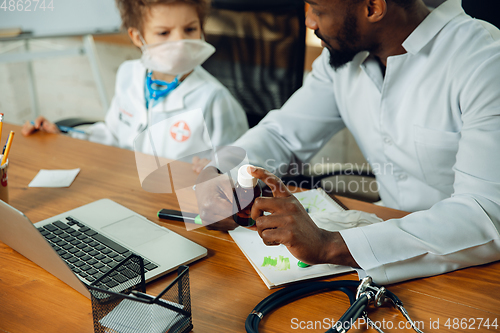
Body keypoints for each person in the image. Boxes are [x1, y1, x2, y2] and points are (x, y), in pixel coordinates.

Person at [195, 0, 500, 285]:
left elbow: (486, 213)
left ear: (372, 7)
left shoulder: (484, 62)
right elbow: (281, 133)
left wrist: (330, 246)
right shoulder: (342, 58)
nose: (308, 21)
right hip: (377, 242)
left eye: (317, 9)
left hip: (472, 267)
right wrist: (221, 173)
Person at [22, 0, 248, 162]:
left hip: (180, 204)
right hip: (127, 186)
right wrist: (64, 135)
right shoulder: (128, 74)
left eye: (190, 29)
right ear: (137, 37)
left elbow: (239, 166)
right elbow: (113, 135)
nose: (180, 42)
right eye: (163, 33)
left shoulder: (215, 99)